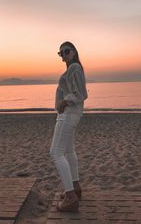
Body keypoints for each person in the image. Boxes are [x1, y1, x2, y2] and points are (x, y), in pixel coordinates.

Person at [50, 41, 88, 212]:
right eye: (61, 53)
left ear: (74, 51)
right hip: (69, 115)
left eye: (66, 51)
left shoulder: (74, 68)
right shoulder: (72, 69)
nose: (64, 55)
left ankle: (70, 196)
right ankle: (75, 188)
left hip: (68, 115)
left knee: (56, 152)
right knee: (69, 152)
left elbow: (81, 94)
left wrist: (65, 101)